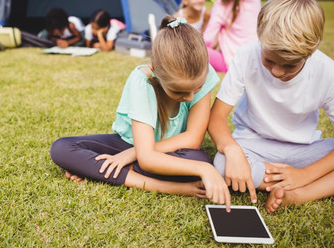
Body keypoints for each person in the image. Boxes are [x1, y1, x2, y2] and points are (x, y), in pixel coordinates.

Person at [50, 16, 231, 209]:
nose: (190, 97)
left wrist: (131, 156)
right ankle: (169, 186)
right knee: (61, 148)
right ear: (156, 72)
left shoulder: (205, 73)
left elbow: (193, 139)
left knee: (198, 158)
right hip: (129, 143)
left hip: (172, 150)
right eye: (179, 91)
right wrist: (205, 170)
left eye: (197, 88)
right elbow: (146, 157)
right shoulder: (142, 81)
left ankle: (100, 169)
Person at [207, 0, 334, 214]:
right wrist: (233, 151)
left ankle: (300, 193)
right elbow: (216, 118)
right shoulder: (245, 56)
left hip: (304, 150)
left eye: (290, 65)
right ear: (260, 36)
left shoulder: (329, 74)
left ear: (310, 53)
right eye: (269, 61)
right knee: (223, 164)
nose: (277, 72)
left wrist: (305, 174)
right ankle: (286, 182)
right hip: (253, 145)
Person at [202, 0, 261, 72]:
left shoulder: (221, 4)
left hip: (232, 64)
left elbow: (208, 39)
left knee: (198, 50)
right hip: (256, 60)